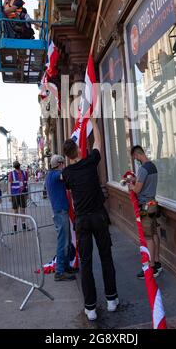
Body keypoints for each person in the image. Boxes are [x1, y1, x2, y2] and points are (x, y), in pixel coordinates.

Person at [62, 118, 118, 321]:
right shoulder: (90, 162)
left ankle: (91, 308)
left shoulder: (66, 173)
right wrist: (92, 122)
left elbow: (68, 186)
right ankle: (112, 300)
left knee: (86, 263)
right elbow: (98, 144)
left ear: (67, 156)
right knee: (106, 257)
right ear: (78, 149)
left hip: (82, 221)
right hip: (98, 217)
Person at [130, 145, 162, 279]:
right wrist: (135, 181)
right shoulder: (152, 166)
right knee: (154, 233)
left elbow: (137, 190)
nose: (135, 160)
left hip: (145, 207)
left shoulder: (143, 169)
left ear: (137, 155)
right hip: (153, 204)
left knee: (148, 237)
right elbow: (146, 183)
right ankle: (157, 261)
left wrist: (130, 184)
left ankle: (151, 266)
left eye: (135, 157)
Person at [45, 154, 77, 282]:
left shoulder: (51, 175)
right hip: (60, 211)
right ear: (59, 164)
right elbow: (65, 175)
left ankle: (65, 266)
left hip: (61, 211)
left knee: (66, 241)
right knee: (63, 241)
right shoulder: (54, 175)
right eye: (63, 163)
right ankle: (59, 271)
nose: (64, 166)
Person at [8, 161, 28, 232]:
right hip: (15, 195)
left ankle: (23, 225)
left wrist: (26, 194)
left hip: (22, 194)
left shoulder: (25, 173)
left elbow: (26, 183)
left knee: (22, 210)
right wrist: (10, 195)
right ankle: (15, 226)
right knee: (16, 211)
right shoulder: (11, 174)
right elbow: (9, 185)